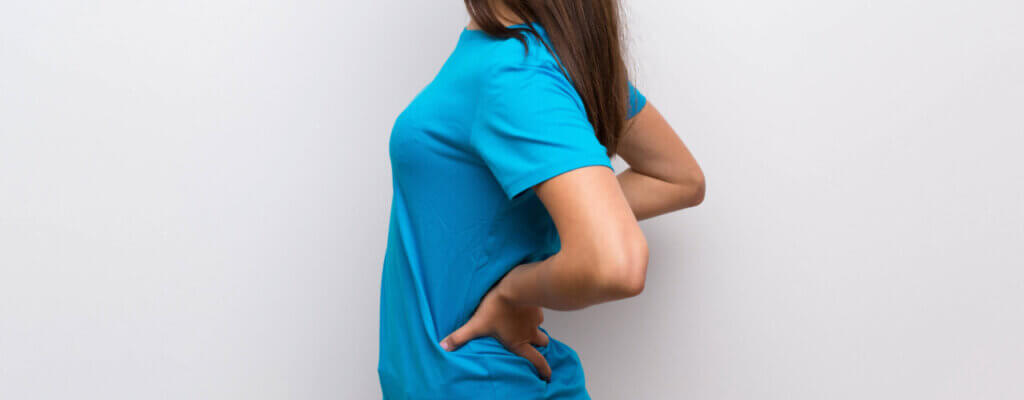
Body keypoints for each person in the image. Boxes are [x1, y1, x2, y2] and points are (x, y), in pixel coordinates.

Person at [378, 0, 705, 398]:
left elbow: (617, 262)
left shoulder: (514, 74)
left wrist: (512, 292)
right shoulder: (529, 55)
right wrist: (564, 215)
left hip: (481, 383)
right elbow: (675, 177)